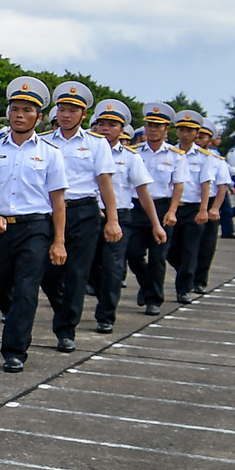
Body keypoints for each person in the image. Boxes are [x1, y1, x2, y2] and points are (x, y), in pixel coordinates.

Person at [0, 77, 68, 373]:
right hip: (1, 227)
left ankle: (15, 350)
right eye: (15, 109)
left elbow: (58, 201)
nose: (19, 115)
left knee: (27, 289)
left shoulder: (50, 154)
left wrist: (59, 241)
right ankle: (14, 316)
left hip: (35, 228)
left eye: (27, 110)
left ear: (38, 117)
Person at [35, 82, 119, 352]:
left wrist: (113, 220)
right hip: (48, 212)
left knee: (76, 274)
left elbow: (105, 182)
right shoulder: (44, 141)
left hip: (83, 212)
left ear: (84, 115)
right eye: (62, 109)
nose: (66, 115)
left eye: (72, 110)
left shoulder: (96, 144)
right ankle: (64, 310)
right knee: (46, 273)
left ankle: (66, 329)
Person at [88, 98, 157, 333]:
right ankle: (102, 297)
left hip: (120, 216)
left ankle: (106, 314)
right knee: (88, 267)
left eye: (112, 125)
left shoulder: (130, 157)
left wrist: (156, 224)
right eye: (102, 124)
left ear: (122, 129)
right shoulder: (84, 152)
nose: (105, 128)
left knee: (113, 267)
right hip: (88, 215)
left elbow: (143, 193)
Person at [125, 102, 190, 314]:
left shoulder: (175, 155)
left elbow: (178, 185)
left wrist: (172, 211)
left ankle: (154, 299)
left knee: (157, 256)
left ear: (166, 129)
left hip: (162, 207)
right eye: (149, 125)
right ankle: (146, 284)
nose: (152, 129)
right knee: (132, 253)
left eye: (157, 125)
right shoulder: (134, 153)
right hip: (136, 207)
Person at [166, 111, 213, 299]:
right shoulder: (169, 152)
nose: (185, 134)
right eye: (182, 130)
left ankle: (183, 289)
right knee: (169, 249)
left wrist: (204, 209)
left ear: (197, 133)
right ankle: (185, 272)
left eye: (190, 130)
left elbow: (205, 184)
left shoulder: (204, 157)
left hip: (193, 207)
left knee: (190, 249)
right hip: (171, 207)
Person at [189, 129, 232, 296]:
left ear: (209, 139)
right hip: (188, 203)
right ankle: (187, 273)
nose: (199, 139)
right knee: (183, 245)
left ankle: (199, 280)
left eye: (203, 137)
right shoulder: (181, 154)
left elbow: (222, 186)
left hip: (211, 203)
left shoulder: (216, 160)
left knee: (207, 244)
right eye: (197, 136)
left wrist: (214, 208)